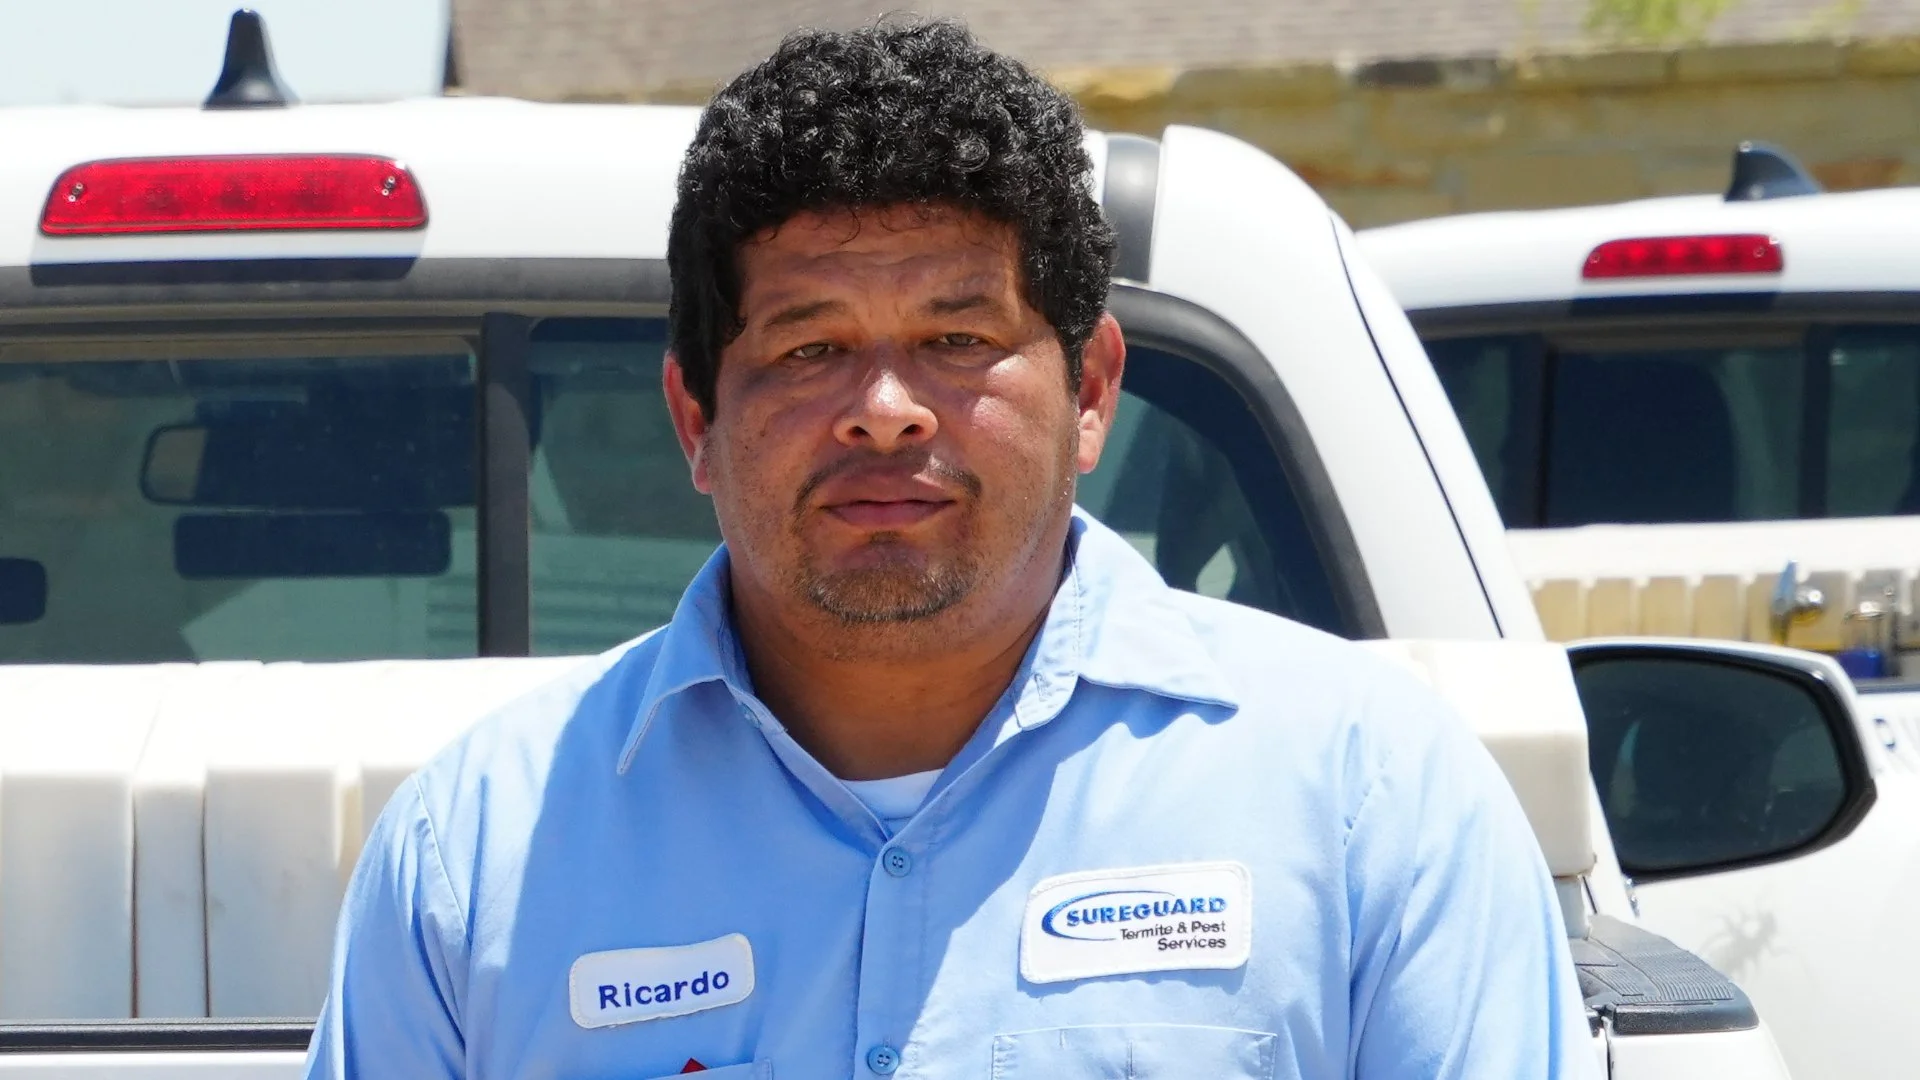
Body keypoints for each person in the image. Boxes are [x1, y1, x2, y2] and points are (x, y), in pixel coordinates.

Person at [304, 18, 1594, 1079]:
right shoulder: (478, 857)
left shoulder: (1374, 804)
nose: (885, 405)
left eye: (959, 339)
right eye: (809, 347)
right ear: (696, 416)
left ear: (1091, 391)